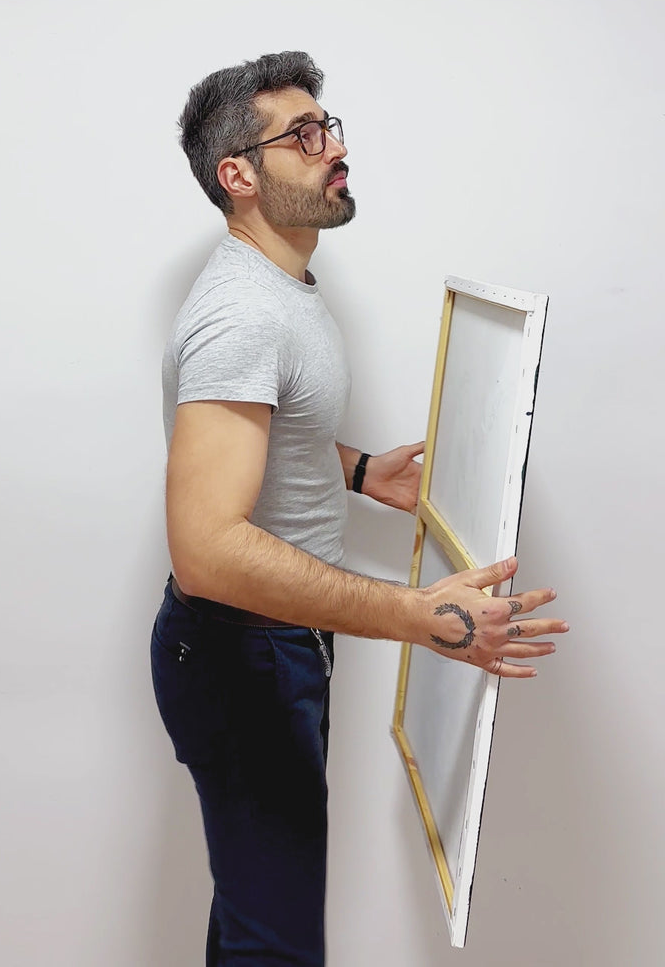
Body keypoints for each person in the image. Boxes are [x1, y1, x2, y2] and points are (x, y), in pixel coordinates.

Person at [150, 51, 567, 967]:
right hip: (242, 657)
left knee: (258, 919)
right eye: (303, 136)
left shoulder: (282, 287)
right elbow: (206, 550)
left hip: (272, 646)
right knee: (277, 945)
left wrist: (359, 469)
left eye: (328, 126)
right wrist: (417, 615)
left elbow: (263, 437)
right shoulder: (243, 315)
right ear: (238, 176)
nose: (334, 147)